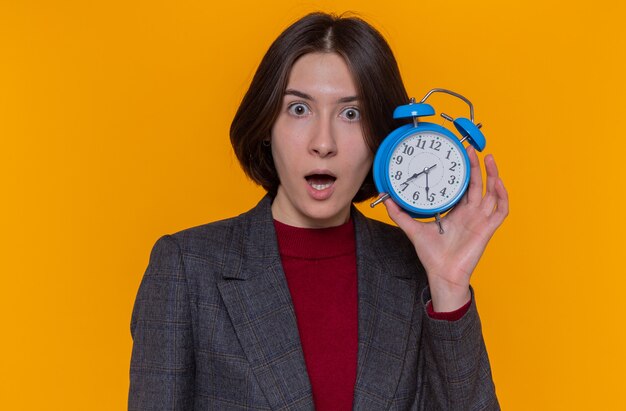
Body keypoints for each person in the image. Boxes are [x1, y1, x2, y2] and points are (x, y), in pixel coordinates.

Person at [129, 11, 508, 411]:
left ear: (382, 137)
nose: (323, 142)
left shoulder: (417, 270)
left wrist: (449, 286)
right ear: (266, 125)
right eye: (299, 109)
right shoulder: (187, 270)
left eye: (351, 113)